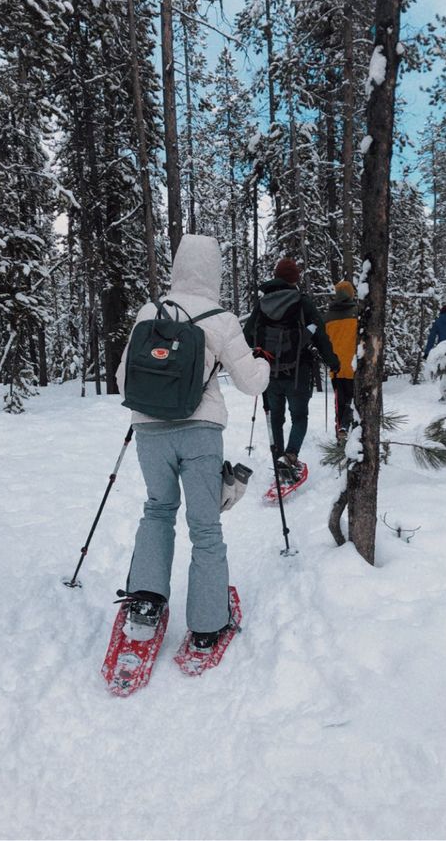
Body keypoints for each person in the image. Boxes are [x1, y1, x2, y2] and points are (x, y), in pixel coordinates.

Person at [115, 234, 269, 650]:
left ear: (178, 267)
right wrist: (262, 364)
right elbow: (252, 383)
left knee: (158, 510)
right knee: (205, 526)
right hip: (200, 431)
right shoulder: (222, 318)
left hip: (149, 431)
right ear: (214, 271)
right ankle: (205, 625)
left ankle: (145, 604)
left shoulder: (150, 310)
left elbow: (121, 377)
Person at [243, 257, 339, 480]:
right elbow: (321, 335)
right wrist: (332, 362)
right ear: (295, 279)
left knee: (275, 417)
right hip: (298, 372)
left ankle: (279, 459)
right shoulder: (302, 302)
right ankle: (290, 456)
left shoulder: (262, 304)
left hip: (269, 374)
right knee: (299, 416)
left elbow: (247, 336)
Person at [324, 280, 358, 440]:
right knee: (353, 401)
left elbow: (324, 341)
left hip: (336, 367)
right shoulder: (357, 313)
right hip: (354, 365)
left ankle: (340, 431)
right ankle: (349, 430)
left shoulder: (328, 317)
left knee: (339, 401)